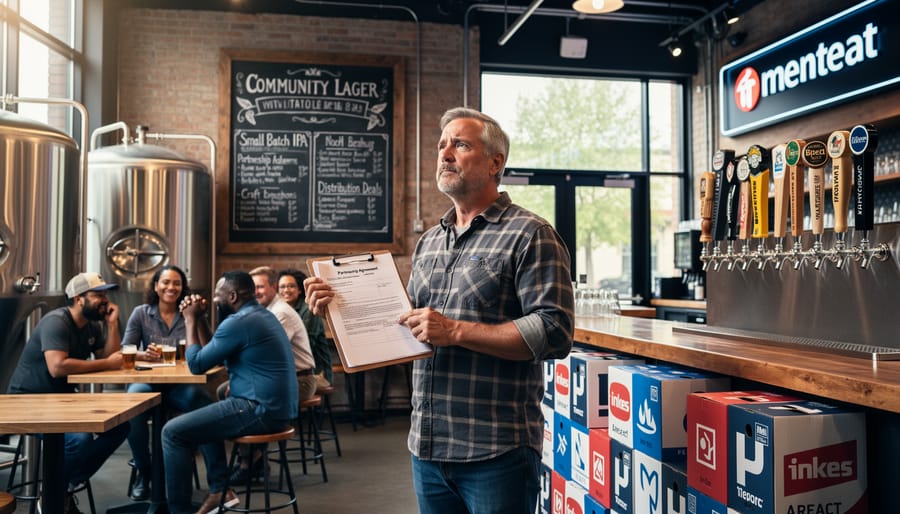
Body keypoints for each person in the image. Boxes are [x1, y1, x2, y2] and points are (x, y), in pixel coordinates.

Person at [305, 107, 574, 514]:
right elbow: (404, 323)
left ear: (495, 163)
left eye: (460, 144)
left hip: (495, 451)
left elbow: (554, 331)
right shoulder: (430, 241)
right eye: (442, 145)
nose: (445, 154)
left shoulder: (531, 234)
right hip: (427, 447)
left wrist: (455, 331)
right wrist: (339, 308)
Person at [163, 271, 298, 514]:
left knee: (171, 433)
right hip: (276, 409)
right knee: (206, 412)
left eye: (218, 295)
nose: (214, 299)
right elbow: (219, 358)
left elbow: (196, 365)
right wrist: (202, 318)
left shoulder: (238, 322)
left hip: (258, 409)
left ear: (232, 295)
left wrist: (190, 319)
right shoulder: (258, 316)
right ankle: (220, 491)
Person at [6, 272, 128, 514]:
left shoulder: (90, 326)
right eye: (97, 295)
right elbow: (58, 366)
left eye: (105, 294)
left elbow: (108, 357)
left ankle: (61, 486)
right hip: (27, 401)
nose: (104, 300)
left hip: (61, 401)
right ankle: (54, 493)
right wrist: (108, 363)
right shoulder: (57, 321)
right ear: (78, 298)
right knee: (78, 440)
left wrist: (112, 324)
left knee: (121, 427)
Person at [120, 265, 213, 501]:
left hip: (180, 384)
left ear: (183, 288)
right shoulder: (141, 313)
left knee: (202, 402)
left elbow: (207, 349)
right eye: (166, 282)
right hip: (148, 380)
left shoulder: (189, 312)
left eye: (177, 283)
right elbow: (125, 349)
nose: (171, 287)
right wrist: (143, 354)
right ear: (155, 286)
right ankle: (145, 469)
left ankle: (216, 482)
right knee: (133, 403)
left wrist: (198, 317)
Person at [218, 266, 315, 483]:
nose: (255, 292)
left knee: (238, 397)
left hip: (301, 380)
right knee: (230, 392)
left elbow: (263, 355)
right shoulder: (267, 312)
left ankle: (250, 462)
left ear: (274, 288)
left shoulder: (279, 313)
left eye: (260, 287)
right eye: (252, 288)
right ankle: (254, 458)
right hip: (286, 380)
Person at [278, 268, 333, 388]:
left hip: (318, 375)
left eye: (291, 286)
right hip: (296, 374)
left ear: (299, 290)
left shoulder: (309, 310)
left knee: (274, 388)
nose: (286, 290)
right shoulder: (280, 311)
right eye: (282, 287)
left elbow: (307, 346)